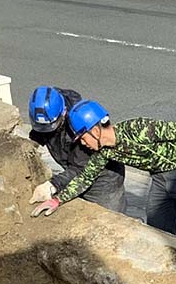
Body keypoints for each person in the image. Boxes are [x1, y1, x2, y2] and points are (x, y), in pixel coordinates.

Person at [32, 100, 176, 250]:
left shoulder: (137, 130)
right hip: (159, 179)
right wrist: (57, 200)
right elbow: (85, 178)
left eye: (82, 137)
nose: (82, 144)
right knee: (158, 231)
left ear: (95, 130)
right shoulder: (104, 152)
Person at [26, 86, 127, 214]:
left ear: (63, 113)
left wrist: (53, 185)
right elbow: (41, 131)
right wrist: (29, 144)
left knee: (108, 218)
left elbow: (80, 168)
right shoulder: (51, 106)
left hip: (104, 178)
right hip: (77, 171)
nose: (48, 132)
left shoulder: (81, 128)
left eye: (51, 128)